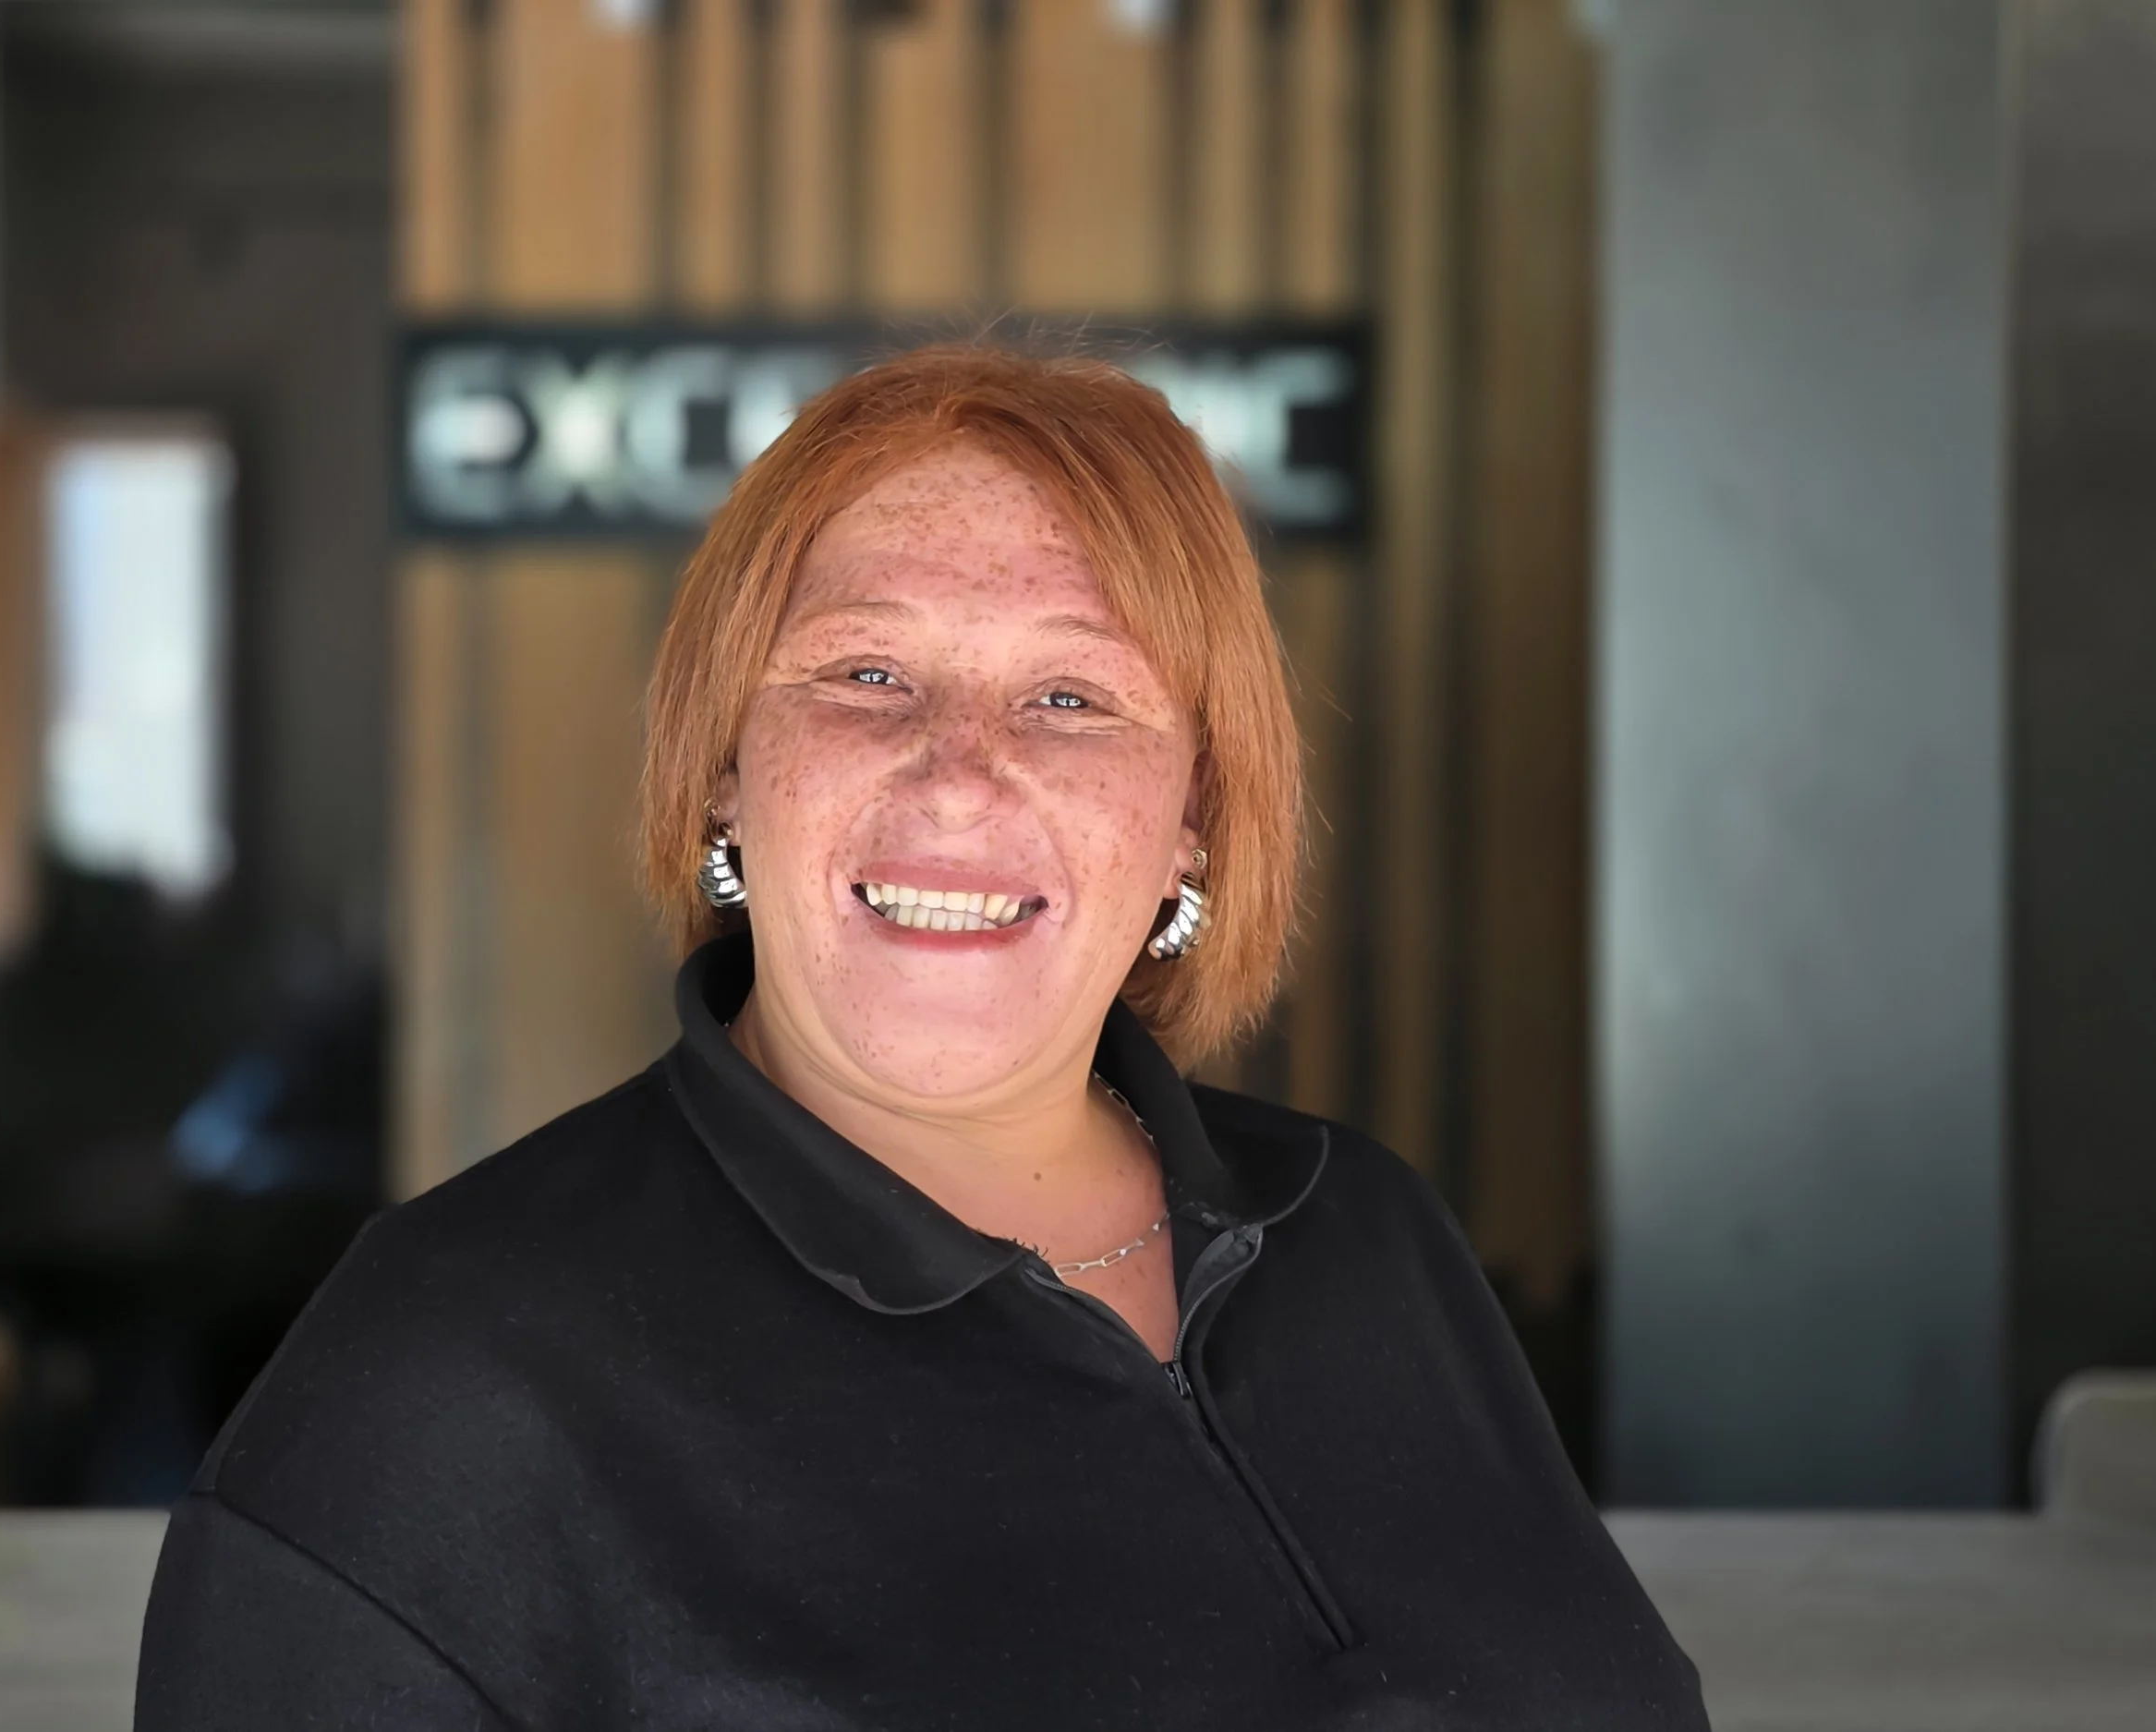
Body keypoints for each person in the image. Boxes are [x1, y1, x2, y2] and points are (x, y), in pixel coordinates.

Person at [135, 346, 1707, 1729]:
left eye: (1075, 698)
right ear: (729, 772)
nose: (959, 775)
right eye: (867, 672)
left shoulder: (1370, 1233)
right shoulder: (440, 1381)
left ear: (1195, 827)